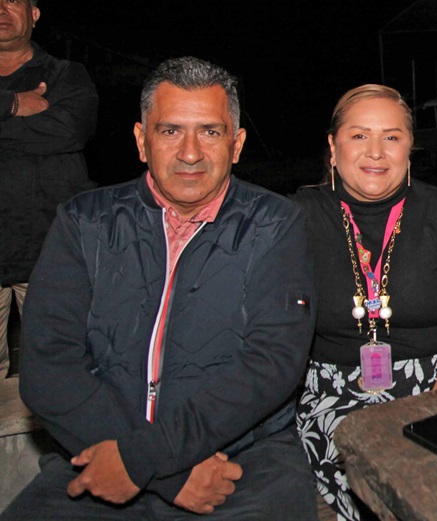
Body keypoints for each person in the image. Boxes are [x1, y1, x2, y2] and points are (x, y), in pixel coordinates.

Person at [3, 57, 318, 520]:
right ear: (141, 140)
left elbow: (271, 362)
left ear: (236, 144)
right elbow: (49, 364)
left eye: (210, 132)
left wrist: (145, 458)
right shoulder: (84, 222)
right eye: (170, 131)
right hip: (99, 451)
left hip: (240, 462)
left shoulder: (275, 224)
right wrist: (161, 470)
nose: (190, 153)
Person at [294, 84, 437, 521]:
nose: (375, 151)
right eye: (359, 135)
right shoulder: (298, 219)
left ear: (409, 148)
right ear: (332, 146)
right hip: (336, 393)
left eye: (391, 136)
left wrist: (435, 410)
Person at [0, 0, 97, 378]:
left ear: (34, 14)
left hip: (48, 253)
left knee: (60, 373)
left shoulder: (66, 74)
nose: (1, 9)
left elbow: (68, 131)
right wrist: (13, 104)